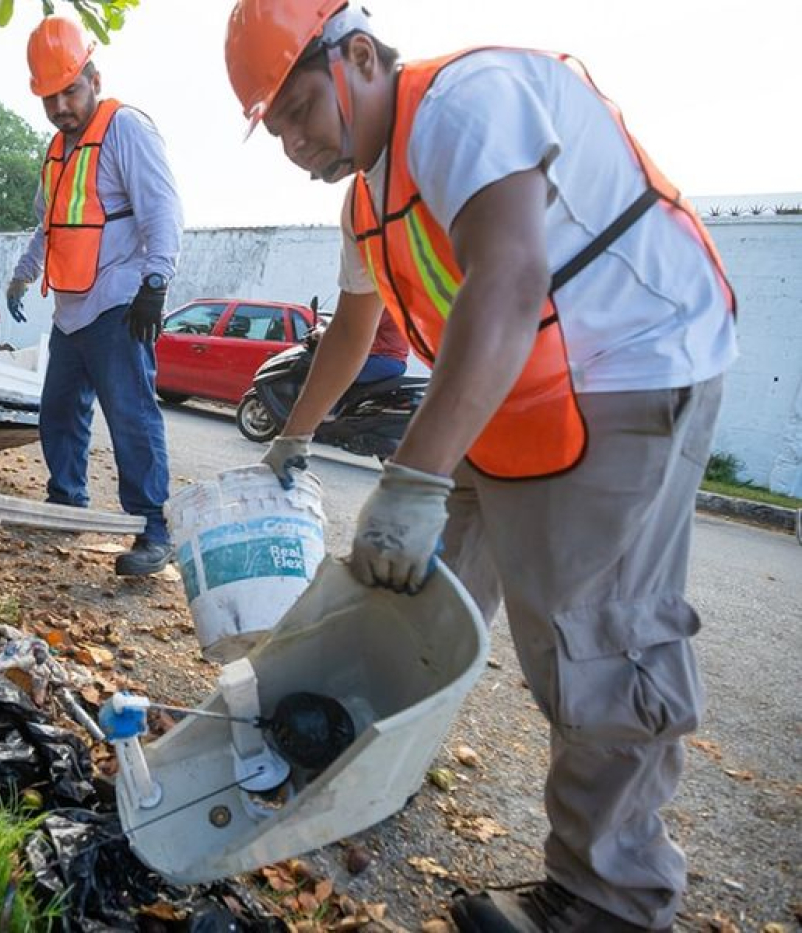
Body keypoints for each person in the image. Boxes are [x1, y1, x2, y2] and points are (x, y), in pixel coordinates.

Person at [225, 3, 736, 931]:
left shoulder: (466, 102)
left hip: (629, 363)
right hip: (512, 387)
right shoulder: (362, 199)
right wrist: (294, 434)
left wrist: (414, 477)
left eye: (301, 108)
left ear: (361, 58)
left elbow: (507, 278)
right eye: (279, 127)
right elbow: (353, 331)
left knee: (594, 643)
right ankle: (367, 762)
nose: (295, 141)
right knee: (411, 592)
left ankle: (608, 899)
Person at [5, 16, 184, 577]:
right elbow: (47, 226)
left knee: (130, 416)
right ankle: (66, 503)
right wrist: (21, 273)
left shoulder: (126, 128)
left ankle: (154, 529)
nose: (61, 107)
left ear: (95, 77)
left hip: (120, 304)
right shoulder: (57, 151)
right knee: (58, 412)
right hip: (72, 310)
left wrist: (156, 282)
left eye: (70, 91)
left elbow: (163, 210)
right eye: (49, 98)